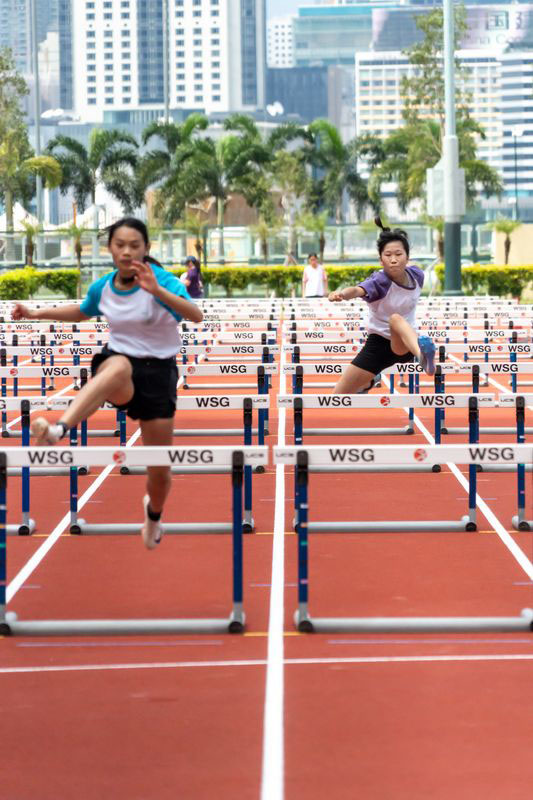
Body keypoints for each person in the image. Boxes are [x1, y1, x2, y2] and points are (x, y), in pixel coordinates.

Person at [11, 217, 203, 550]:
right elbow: (81, 311)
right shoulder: (103, 287)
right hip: (121, 365)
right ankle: (58, 430)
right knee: (116, 366)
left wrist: (156, 291)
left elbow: (195, 315)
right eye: (120, 245)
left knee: (159, 474)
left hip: (158, 374)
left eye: (134, 245)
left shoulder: (162, 280)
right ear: (110, 249)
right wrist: (34, 313)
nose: (127, 251)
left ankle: (153, 515)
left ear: (145, 249)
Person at [328, 217, 435, 394]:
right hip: (377, 345)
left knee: (395, 319)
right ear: (381, 260)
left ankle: (422, 357)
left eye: (398, 254)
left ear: (407, 257)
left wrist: (416, 349)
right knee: (337, 397)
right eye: (388, 255)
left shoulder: (417, 275)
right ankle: (368, 382)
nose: (393, 259)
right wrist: (342, 294)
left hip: (405, 343)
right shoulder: (379, 281)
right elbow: (357, 290)